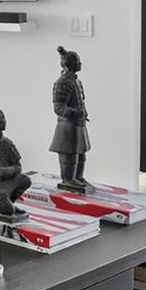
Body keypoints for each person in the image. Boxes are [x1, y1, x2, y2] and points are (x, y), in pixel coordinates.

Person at [50, 45, 92, 192]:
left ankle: (78, 177)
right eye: (77, 61)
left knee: (81, 153)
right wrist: (75, 113)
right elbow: (59, 108)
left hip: (79, 124)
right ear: (68, 65)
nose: (80, 63)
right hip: (68, 126)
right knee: (70, 155)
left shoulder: (77, 82)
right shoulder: (62, 82)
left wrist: (83, 113)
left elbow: (82, 101)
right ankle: (68, 179)